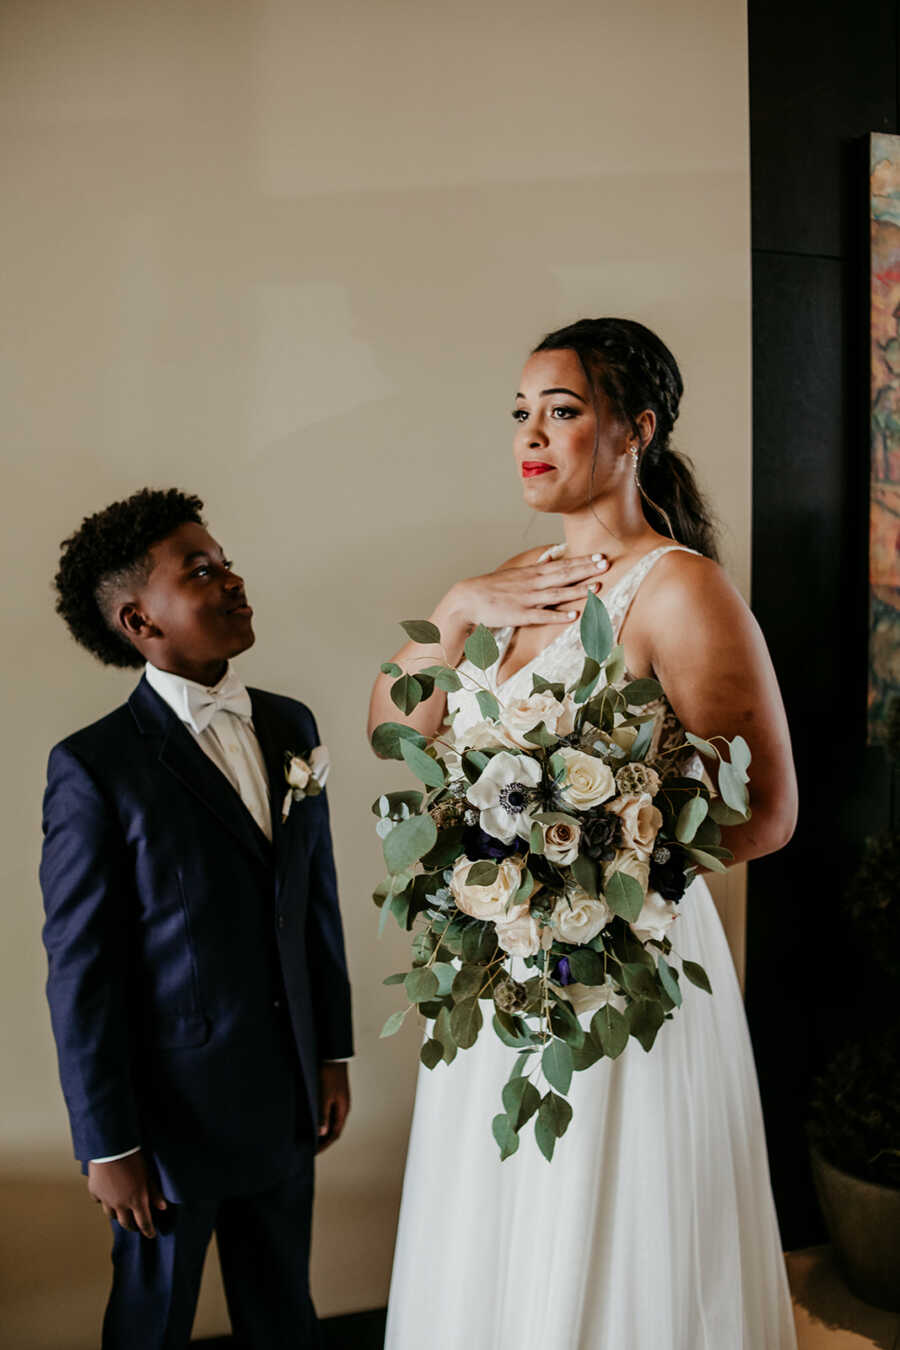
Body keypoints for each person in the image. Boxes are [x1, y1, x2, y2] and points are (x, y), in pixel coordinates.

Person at [368, 318, 799, 1349]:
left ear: (634, 430)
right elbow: (396, 729)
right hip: (500, 977)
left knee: (613, 1234)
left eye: (562, 411)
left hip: (616, 977)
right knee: (500, 1223)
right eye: (522, 412)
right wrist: (460, 604)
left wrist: (590, 880)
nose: (533, 433)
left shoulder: (680, 587)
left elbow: (767, 813)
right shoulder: (513, 578)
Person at [40, 488, 353, 1349]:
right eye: (202, 570)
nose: (231, 577)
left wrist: (331, 1051)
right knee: (152, 1323)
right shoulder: (95, 768)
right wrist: (109, 1145)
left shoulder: (291, 727)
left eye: (225, 560)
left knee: (283, 1310)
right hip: (166, 1127)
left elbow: (311, 906)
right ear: (142, 621)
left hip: (287, 1096)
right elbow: (81, 969)